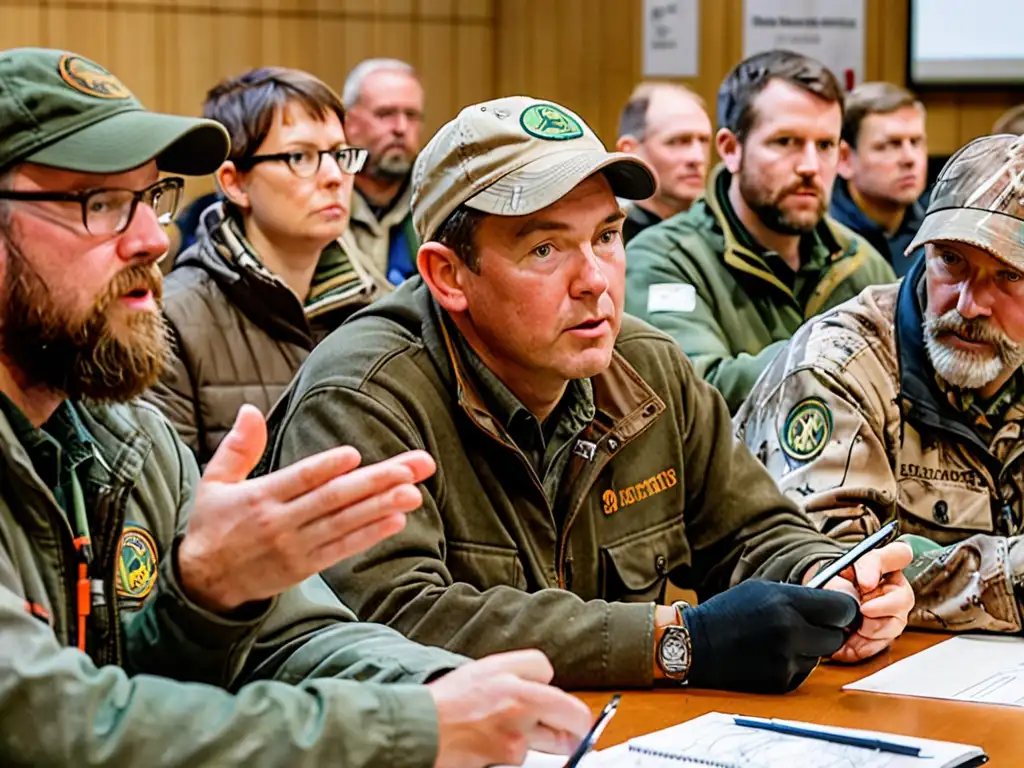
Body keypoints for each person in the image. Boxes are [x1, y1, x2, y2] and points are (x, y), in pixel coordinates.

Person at [0, 48, 593, 767]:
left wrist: (448, 688)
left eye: (150, 197)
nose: (154, 238)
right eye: (98, 204)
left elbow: (300, 636)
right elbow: (49, 726)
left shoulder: (127, 434)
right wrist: (410, 726)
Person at [262, 95, 914, 695]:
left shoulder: (645, 366)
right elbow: (393, 616)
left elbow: (754, 530)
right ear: (448, 274)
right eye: (546, 248)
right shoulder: (363, 392)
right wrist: (677, 642)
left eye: (606, 235)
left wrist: (828, 578)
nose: (596, 281)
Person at [735, 133, 1024, 634]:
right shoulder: (836, 367)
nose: (968, 305)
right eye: (950, 261)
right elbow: (837, 574)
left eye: (1009, 277)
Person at [624, 50, 896, 414]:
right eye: (785, 142)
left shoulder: (861, 262)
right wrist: (841, 351)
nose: (810, 167)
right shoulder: (663, 257)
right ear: (731, 150)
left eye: (825, 145)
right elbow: (694, 392)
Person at [146, 67, 391, 468]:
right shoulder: (171, 319)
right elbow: (173, 507)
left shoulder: (381, 308)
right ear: (234, 183)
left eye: (340, 154)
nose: (334, 177)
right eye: (300, 156)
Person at [830, 82, 929, 279]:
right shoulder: (821, 239)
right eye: (890, 145)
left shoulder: (937, 231)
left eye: (916, 142)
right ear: (845, 159)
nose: (910, 159)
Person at [341, 58, 424, 285]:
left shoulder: (437, 202)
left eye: (411, 115)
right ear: (349, 123)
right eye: (385, 114)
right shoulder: (323, 197)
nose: (401, 128)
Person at [615, 82, 713, 242]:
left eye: (704, 141)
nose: (698, 158)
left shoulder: (721, 233)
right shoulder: (608, 242)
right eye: (677, 141)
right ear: (630, 151)